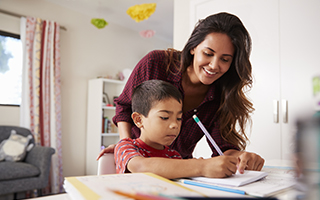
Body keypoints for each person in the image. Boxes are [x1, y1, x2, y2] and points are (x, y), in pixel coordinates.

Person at [98, 12, 264, 173]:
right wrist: (126, 144)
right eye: (208, 53)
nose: (214, 65)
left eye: (225, 59)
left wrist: (240, 157)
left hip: (180, 171)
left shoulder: (221, 95)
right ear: (193, 48)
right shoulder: (155, 63)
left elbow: (223, 149)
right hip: (142, 161)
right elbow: (124, 107)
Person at [115, 79, 238, 179]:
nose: (175, 125)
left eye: (179, 118)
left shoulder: (173, 156)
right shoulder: (126, 146)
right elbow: (140, 167)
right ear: (138, 120)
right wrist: (202, 166)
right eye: (164, 117)